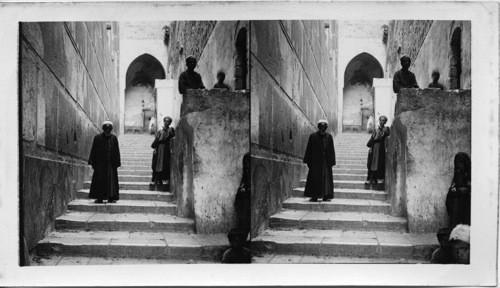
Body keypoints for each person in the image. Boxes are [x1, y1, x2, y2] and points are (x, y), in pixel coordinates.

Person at [88, 121, 121, 203]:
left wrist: (117, 162)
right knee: (99, 180)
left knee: (111, 181)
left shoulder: (114, 138)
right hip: (100, 164)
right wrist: (92, 162)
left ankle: (111, 197)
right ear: (103, 129)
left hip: (111, 164)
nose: (108, 131)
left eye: (109, 129)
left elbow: (116, 151)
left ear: (111, 129)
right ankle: (100, 197)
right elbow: (94, 150)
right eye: (106, 129)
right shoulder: (97, 138)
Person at [303, 119, 336, 202]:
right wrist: (308, 160)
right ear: (318, 127)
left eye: (324, 127)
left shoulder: (329, 137)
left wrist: (331, 161)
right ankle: (314, 196)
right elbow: (309, 149)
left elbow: (332, 150)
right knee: (314, 178)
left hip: (326, 161)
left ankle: (326, 195)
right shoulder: (313, 136)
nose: (323, 130)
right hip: (315, 162)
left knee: (326, 179)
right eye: (321, 127)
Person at [445, 152, 471, 229]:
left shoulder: (471, 172)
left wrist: (466, 189)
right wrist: (453, 188)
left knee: (461, 204)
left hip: (468, 197)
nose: (459, 165)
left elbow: (473, 186)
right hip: (459, 196)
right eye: (457, 163)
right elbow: (455, 183)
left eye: (460, 163)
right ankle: (453, 227)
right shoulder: (458, 171)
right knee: (451, 198)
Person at [150, 116, 175, 186]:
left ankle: (164, 180)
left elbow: (172, 137)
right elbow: (157, 140)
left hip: (166, 149)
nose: (166, 122)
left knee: (165, 165)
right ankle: (155, 180)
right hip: (159, 149)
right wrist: (155, 149)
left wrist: (167, 130)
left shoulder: (171, 130)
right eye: (165, 121)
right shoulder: (160, 131)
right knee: (156, 165)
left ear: (170, 123)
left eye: (168, 121)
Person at [366, 115, 390, 184]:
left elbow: (386, 135)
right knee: (371, 163)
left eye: (383, 120)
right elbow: (372, 139)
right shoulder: (376, 129)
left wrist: (381, 129)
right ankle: (370, 179)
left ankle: (376, 179)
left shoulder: (386, 128)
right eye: (380, 120)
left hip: (381, 148)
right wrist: (371, 148)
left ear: (385, 122)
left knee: (379, 163)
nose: (381, 122)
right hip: (374, 147)